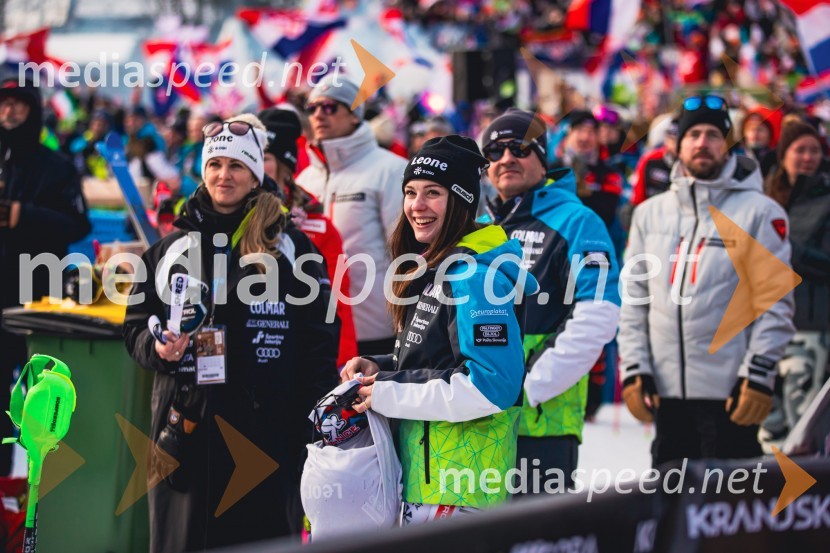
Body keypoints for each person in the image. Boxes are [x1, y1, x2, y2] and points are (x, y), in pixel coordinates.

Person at [123, 113, 339, 551]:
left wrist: (314, 427)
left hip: (266, 434)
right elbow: (135, 328)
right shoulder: (170, 249)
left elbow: (319, 343)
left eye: (237, 165)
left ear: (256, 174)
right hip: (185, 429)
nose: (224, 175)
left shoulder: (291, 248)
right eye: (215, 164)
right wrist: (158, 349)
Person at [341, 135, 538, 520]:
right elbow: (438, 361)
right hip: (429, 484)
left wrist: (385, 391)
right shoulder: (440, 267)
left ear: (462, 201)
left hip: (462, 489)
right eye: (410, 192)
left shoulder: (476, 276)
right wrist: (381, 366)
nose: (417, 205)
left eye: (433, 193)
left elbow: (490, 386)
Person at [619, 95, 796, 467]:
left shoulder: (760, 212)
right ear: (678, 144)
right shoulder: (649, 214)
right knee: (669, 500)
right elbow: (634, 300)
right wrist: (634, 368)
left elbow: (774, 304)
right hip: (666, 399)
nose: (703, 143)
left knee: (730, 502)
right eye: (694, 134)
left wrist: (758, 374)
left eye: (714, 135)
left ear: (727, 145)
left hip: (731, 397)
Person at [479, 109, 621, 494]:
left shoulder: (577, 220)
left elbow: (599, 314)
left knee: (537, 529)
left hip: (542, 423)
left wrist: (529, 386)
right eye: (494, 151)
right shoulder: (481, 228)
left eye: (519, 148)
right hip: (480, 423)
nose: (506, 158)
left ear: (543, 159)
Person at [0, 77, 91, 475]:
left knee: (44, 406)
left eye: (18, 103)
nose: (9, 111)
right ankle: (5, 491)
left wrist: (24, 215)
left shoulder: (57, 166)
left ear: (33, 110)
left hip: (38, 300)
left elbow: (78, 223)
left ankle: (46, 495)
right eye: (3, 103)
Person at [297, 75, 407, 356]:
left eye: (330, 107)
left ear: (355, 114)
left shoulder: (391, 170)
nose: (319, 115)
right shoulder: (304, 179)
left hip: (375, 330)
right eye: (312, 108)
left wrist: (406, 320)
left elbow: (407, 254)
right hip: (316, 328)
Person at [259, 106, 358, 368]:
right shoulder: (229, 222)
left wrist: (341, 366)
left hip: (300, 358)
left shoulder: (318, 227)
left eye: (264, 157)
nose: (255, 166)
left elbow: (337, 303)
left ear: (285, 166)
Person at [762, 120, 830, 440]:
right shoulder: (765, 196)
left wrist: (786, 248)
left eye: (814, 150)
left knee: (802, 424)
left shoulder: (826, 198)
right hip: (761, 324)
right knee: (767, 424)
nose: (807, 157)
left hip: (809, 327)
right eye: (799, 150)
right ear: (783, 154)